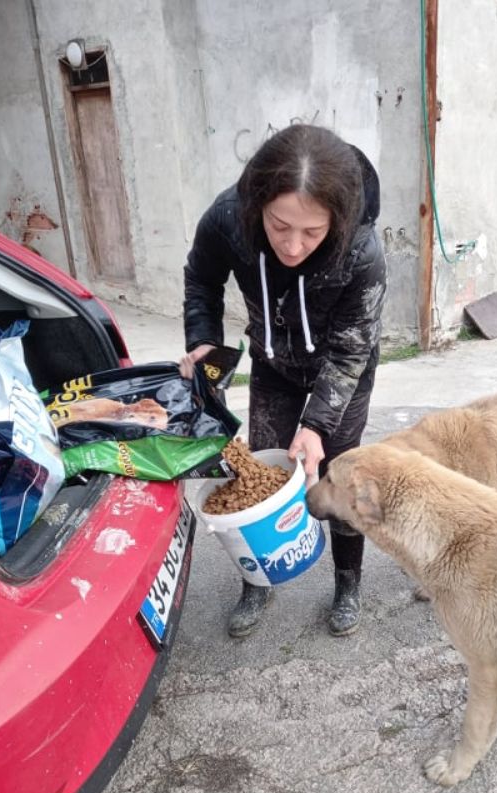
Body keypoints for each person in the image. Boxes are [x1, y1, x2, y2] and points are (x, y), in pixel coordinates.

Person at [180, 123, 386, 639]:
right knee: (258, 474)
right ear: (258, 207)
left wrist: (317, 425)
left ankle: (347, 581)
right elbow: (201, 278)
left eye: (312, 233)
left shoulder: (361, 250)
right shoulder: (229, 218)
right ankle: (258, 580)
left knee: (338, 474)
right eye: (279, 226)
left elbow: (351, 348)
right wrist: (203, 338)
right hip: (273, 366)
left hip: (342, 375)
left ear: (335, 222)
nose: (293, 246)